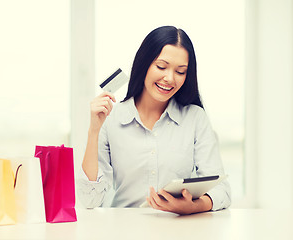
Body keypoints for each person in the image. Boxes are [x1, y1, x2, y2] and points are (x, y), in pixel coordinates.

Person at [77, 26, 231, 215]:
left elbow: (222, 190)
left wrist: (192, 207)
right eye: (161, 66)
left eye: (180, 71)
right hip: (123, 229)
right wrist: (94, 130)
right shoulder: (111, 119)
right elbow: (90, 199)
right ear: (144, 64)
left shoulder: (195, 118)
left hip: (177, 229)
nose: (169, 78)